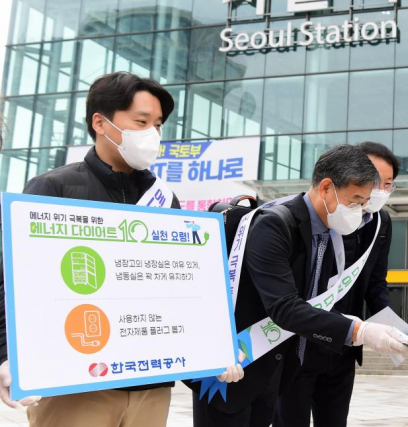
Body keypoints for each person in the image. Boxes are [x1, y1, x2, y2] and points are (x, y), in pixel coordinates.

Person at [0, 72, 243, 427]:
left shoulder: (164, 198)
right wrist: (8, 356)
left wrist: (213, 344)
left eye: (158, 125)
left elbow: (181, 284)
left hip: (151, 386)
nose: (152, 134)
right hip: (76, 386)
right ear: (101, 122)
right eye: (141, 122)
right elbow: (14, 281)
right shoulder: (54, 188)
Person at [191, 144, 408, 427]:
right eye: (355, 201)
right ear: (327, 188)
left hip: (272, 371)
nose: (359, 211)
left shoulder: (328, 233)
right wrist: (359, 330)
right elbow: (285, 307)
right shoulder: (275, 224)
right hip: (228, 371)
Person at [273, 141, 399, 427]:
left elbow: (376, 286)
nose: (377, 190)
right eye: (372, 180)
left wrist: (398, 333)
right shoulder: (317, 216)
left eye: (387, 183)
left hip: (344, 346)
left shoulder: (381, 223)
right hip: (299, 343)